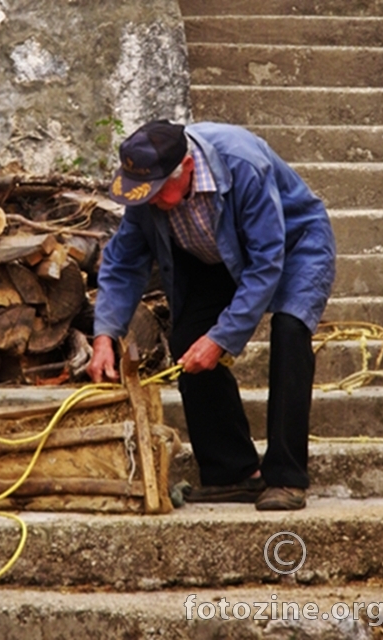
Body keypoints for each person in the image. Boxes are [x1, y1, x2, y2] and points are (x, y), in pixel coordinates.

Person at [86, 119, 336, 511]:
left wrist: (221, 339)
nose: (150, 201)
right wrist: (104, 335)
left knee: (290, 331)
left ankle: (287, 477)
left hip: (292, 244)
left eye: (156, 192)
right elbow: (122, 262)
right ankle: (232, 472)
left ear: (186, 167)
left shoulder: (243, 164)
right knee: (188, 342)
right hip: (213, 254)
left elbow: (266, 262)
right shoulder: (150, 193)